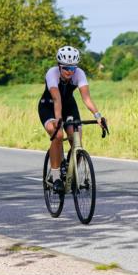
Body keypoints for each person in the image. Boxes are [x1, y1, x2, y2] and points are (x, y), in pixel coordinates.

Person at [38, 46, 107, 192]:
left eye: (73, 68)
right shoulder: (52, 73)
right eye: (66, 68)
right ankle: (56, 176)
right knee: (57, 135)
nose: (70, 72)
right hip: (49, 106)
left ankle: (70, 170)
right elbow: (56, 98)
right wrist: (58, 120)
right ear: (59, 66)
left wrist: (98, 116)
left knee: (76, 141)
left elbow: (86, 98)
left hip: (69, 106)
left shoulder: (79, 74)